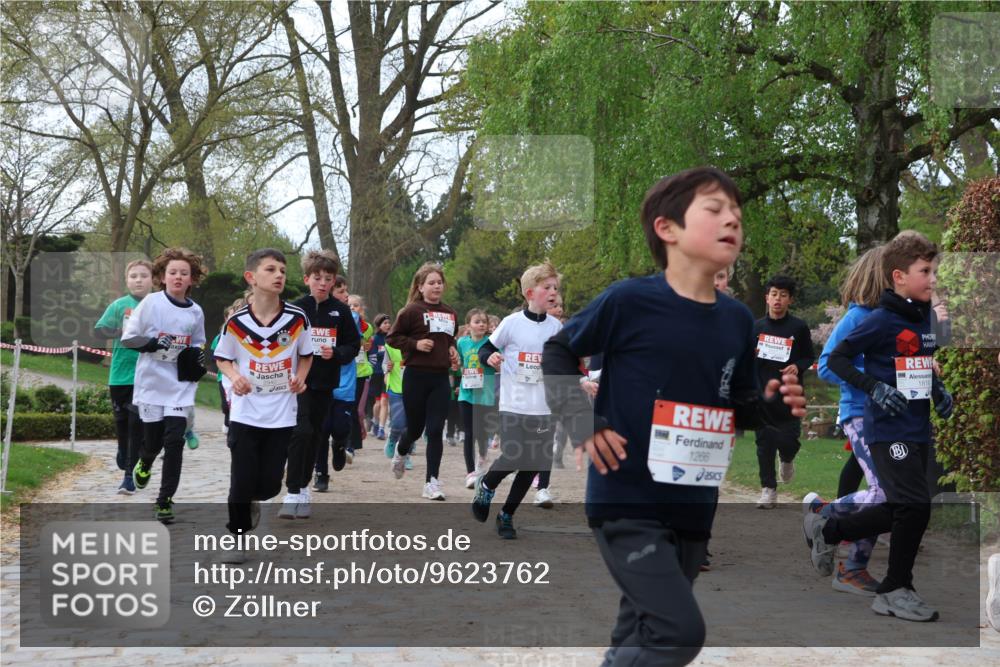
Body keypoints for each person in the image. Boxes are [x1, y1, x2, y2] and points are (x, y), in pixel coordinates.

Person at [542, 167, 806, 666]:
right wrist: (582, 421)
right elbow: (558, 351)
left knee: (638, 632)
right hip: (627, 498)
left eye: (737, 213)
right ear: (668, 229)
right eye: (714, 209)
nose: (732, 219)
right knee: (677, 632)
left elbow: (738, 404)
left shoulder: (734, 321)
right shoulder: (629, 301)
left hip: (693, 506)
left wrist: (772, 405)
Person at [809, 230, 954, 622]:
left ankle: (829, 530)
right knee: (914, 505)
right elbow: (834, 360)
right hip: (884, 429)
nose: (934, 278)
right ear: (898, 277)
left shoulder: (922, 316)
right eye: (926, 270)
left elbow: (918, 361)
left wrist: (938, 391)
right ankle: (894, 588)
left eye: (934, 270)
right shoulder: (877, 320)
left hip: (916, 424)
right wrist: (872, 387)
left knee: (897, 508)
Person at [213, 248, 312, 563]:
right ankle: (238, 538)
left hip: (282, 414)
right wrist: (234, 375)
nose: (279, 275)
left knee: (269, 485)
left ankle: (255, 501)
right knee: (240, 480)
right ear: (251, 277)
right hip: (245, 413)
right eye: (271, 269)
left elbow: (307, 354)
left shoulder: (297, 319)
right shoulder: (237, 323)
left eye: (282, 270)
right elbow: (222, 358)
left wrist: (300, 376)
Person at [812, 246, 890, 595]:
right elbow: (827, 365)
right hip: (859, 414)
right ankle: (845, 556)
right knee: (883, 493)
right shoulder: (858, 317)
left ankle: (824, 515)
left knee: (886, 495)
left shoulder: (895, 318)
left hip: (892, 418)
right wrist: (872, 379)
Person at [471, 260, 563, 536]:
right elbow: (485, 349)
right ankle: (487, 485)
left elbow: (563, 363)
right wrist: (492, 357)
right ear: (529, 293)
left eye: (556, 288)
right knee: (514, 454)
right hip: (514, 403)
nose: (553, 293)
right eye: (547, 287)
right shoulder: (512, 323)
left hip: (544, 408)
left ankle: (507, 515)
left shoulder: (556, 328)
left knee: (533, 464)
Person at [123, 248, 208, 524]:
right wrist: (151, 344)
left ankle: (165, 500)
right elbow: (129, 337)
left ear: (192, 278)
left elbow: (197, 343)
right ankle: (145, 462)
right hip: (151, 381)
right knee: (154, 443)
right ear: (162, 276)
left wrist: (196, 358)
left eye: (184, 273)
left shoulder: (195, 311)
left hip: (179, 384)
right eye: (173, 272)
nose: (178, 277)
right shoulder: (151, 303)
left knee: (174, 441)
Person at [279, 250, 359, 519]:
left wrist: (334, 353)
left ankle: (303, 487)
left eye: (328, 278)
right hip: (298, 382)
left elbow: (353, 346)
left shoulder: (342, 311)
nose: (323, 283)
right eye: (317, 278)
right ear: (306, 279)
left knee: (314, 435)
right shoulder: (295, 308)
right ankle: (291, 491)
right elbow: (281, 341)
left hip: (325, 383)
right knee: (299, 431)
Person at [385, 262, 459, 500]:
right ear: (420, 286)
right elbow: (393, 338)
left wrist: (453, 350)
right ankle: (402, 449)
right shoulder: (410, 311)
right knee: (415, 429)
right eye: (432, 282)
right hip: (415, 375)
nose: (437, 286)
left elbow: (449, 340)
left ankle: (432, 482)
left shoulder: (450, 312)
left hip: (439, 377)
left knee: (436, 429)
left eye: (439, 282)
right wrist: (415, 345)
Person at [753, 274, 815, 508]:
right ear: (767, 298)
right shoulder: (757, 327)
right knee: (764, 443)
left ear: (790, 300)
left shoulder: (798, 327)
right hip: (763, 396)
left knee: (788, 440)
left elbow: (809, 356)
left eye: (783, 295)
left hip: (790, 396)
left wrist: (797, 365)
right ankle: (768, 489)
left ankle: (787, 458)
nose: (778, 299)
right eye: (774, 294)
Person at [94, 259, 153, 495]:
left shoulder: (158, 304)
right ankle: (123, 451)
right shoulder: (119, 305)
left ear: (153, 280)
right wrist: (123, 333)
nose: (138, 280)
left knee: (136, 424)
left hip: (147, 376)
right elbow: (99, 330)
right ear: (127, 281)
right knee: (122, 426)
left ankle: (129, 476)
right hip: (120, 375)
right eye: (133, 276)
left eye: (143, 276)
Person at [314, 276, 360, 489]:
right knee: (322, 430)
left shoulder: (352, 317)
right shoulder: (316, 314)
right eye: (341, 291)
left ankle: (340, 445)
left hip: (345, 383)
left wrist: (337, 352)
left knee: (340, 427)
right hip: (322, 382)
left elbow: (355, 345)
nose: (346, 295)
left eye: (346, 291)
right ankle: (321, 474)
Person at [456, 309, 497, 489]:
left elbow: (497, 364)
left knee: (482, 433)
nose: (481, 324)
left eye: (484, 322)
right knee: (469, 433)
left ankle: (482, 459)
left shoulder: (491, 343)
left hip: (484, 393)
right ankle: (470, 472)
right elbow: (458, 364)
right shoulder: (462, 343)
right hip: (466, 393)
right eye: (477, 321)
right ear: (468, 325)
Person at [367, 314, 391, 439]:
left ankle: (382, 429)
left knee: (384, 401)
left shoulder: (392, 339)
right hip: (377, 373)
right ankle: (375, 423)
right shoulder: (374, 339)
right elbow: (372, 357)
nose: (387, 325)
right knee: (377, 402)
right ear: (379, 325)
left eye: (388, 323)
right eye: (384, 323)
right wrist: (385, 353)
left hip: (388, 373)